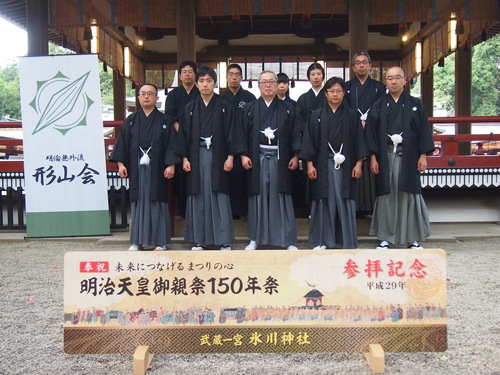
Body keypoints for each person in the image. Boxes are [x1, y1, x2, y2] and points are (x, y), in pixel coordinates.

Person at [365, 66, 434, 250]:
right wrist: (373, 157)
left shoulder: (415, 104)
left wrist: (423, 155)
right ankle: (385, 238)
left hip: (409, 156)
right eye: (389, 78)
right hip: (385, 155)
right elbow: (371, 133)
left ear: (405, 80)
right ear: (385, 82)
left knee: (409, 195)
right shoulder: (378, 105)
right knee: (386, 196)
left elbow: (423, 131)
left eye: (397, 78)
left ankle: (412, 238)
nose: (393, 81)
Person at [176, 66, 241, 251]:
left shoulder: (225, 107)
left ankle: (223, 239)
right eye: (202, 81)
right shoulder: (189, 108)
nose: (205, 84)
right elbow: (183, 136)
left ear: (215, 83)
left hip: (219, 156)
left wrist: (230, 157)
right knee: (198, 197)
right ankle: (198, 240)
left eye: (209, 81)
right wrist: (184, 158)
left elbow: (232, 132)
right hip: (196, 156)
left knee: (218, 195)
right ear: (196, 84)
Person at [300, 77, 367, 249]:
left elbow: (359, 141)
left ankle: (347, 241)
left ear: (344, 93)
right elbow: (309, 142)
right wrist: (309, 165)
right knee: (325, 201)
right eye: (332, 91)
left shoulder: (352, 115)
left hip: (347, 164)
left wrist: (359, 163)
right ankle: (324, 241)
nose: (335, 94)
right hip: (323, 164)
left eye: (338, 91)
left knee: (345, 201)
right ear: (326, 93)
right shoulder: (316, 116)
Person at [110, 83, 178, 251]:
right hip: (137, 168)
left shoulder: (164, 121)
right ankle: (137, 241)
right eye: (143, 94)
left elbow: (171, 144)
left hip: (158, 169)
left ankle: (160, 242)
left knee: (157, 202)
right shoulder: (131, 121)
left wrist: (171, 165)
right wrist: (120, 164)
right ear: (139, 98)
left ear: (157, 98)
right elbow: (123, 144)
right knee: (138, 203)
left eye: (150, 94)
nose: (147, 97)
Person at [240, 71, 301, 250]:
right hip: (257, 158)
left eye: (271, 82)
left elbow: (296, 133)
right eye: (264, 82)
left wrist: (296, 156)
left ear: (277, 85)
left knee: (280, 197)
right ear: (258, 85)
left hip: (280, 159)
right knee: (257, 197)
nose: (268, 85)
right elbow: (241, 134)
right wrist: (243, 155)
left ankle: (287, 240)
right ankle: (255, 238)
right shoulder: (249, 109)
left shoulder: (289, 108)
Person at [345, 52, 386, 215]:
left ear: (370, 65)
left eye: (364, 62)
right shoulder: (346, 88)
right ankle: (352, 206)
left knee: (372, 167)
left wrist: (368, 122)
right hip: (353, 132)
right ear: (353, 67)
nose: (361, 65)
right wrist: (357, 123)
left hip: (373, 131)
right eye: (357, 63)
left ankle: (371, 207)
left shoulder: (380, 88)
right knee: (353, 165)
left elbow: (382, 111)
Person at [220, 63, 256, 218]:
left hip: (245, 143)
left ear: (241, 78)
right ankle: (228, 212)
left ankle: (245, 212)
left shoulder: (249, 98)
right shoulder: (220, 99)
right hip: (225, 144)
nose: (234, 77)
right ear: (226, 77)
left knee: (244, 178)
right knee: (226, 178)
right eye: (231, 74)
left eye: (237, 74)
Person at [164, 61, 200, 218]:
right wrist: (183, 132)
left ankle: (197, 210)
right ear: (180, 76)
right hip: (179, 138)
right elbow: (170, 117)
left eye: (190, 72)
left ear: (195, 74)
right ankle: (182, 210)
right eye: (184, 72)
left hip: (198, 138)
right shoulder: (173, 95)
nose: (187, 74)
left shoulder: (201, 93)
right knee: (180, 175)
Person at [296, 63, 326, 130]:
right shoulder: (302, 99)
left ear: (323, 76)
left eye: (319, 74)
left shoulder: (328, 96)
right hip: (307, 134)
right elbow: (299, 120)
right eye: (312, 74)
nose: (316, 77)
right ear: (309, 77)